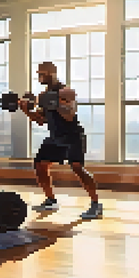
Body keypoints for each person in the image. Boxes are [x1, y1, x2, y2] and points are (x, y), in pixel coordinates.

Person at [21, 61, 103, 219]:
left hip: (72, 135)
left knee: (77, 168)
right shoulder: (43, 96)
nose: (39, 77)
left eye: (41, 74)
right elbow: (41, 120)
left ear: (51, 74)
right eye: (38, 74)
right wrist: (26, 110)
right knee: (40, 164)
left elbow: (69, 113)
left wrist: (53, 102)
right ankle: (51, 200)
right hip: (55, 137)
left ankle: (95, 204)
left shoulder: (66, 91)